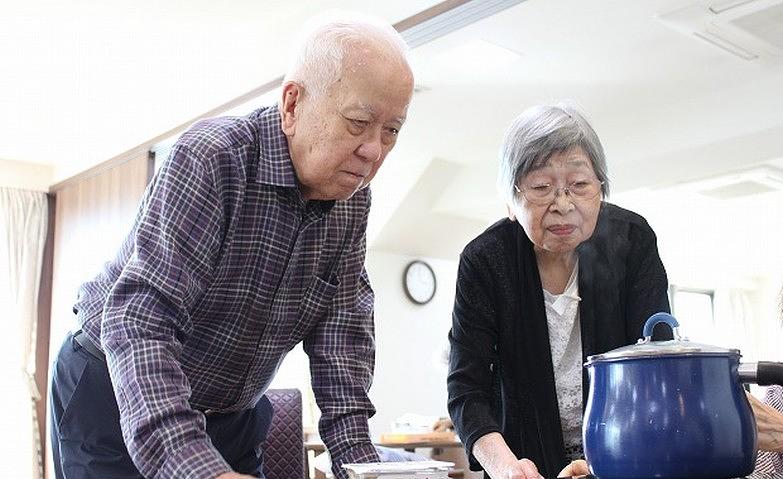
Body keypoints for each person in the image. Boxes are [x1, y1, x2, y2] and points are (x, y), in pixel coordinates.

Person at [49, 14, 414, 479]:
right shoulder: (214, 157)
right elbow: (142, 321)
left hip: (231, 409)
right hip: (117, 386)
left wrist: (360, 466)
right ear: (293, 103)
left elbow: (341, 343)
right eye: (358, 122)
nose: (374, 150)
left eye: (392, 130)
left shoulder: (352, 203)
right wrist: (200, 470)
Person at [446, 103, 671, 479]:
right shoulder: (486, 260)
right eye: (541, 188)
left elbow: (656, 363)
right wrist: (504, 467)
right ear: (511, 199)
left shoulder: (632, 240)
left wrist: (609, 461)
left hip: (622, 458)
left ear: (601, 187)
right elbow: (467, 388)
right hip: (521, 462)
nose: (563, 205)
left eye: (580, 185)